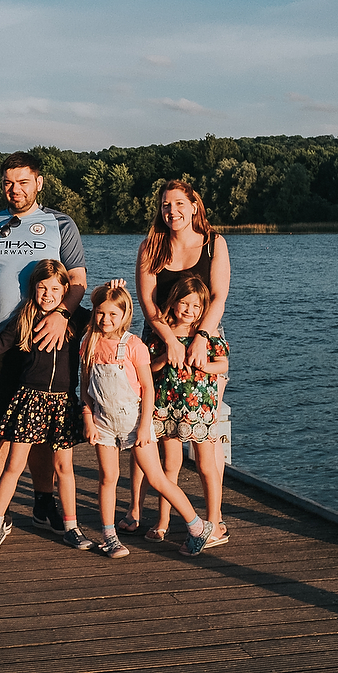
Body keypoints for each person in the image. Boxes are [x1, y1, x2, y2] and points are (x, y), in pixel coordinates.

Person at [0, 151, 86, 531]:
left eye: (24, 182)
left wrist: (62, 316)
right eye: (9, 183)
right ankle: (1, 513)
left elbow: (77, 279)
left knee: (41, 429)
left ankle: (44, 502)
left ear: (39, 182)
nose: (15, 190)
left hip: (42, 339)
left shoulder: (61, 223)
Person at [124, 178, 231, 533]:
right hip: (157, 342)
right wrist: (169, 340)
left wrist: (200, 337)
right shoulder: (151, 246)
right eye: (166, 205)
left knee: (204, 437)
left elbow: (218, 297)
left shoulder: (214, 244)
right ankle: (136, 509)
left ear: (194, 206)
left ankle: (213, 521)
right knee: (148, 428)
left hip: (204, 344)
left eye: (180, 204)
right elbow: (148, 303)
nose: (173, 211)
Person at [80, 281, 216, 558]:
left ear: (124, 315)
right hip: (103, 422)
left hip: (134, 422)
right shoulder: (88, 342)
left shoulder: (133, 345)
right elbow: (84, 386)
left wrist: (145, 426)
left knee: (156, 478)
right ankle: (109, 536)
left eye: (112, 315)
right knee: (108, 478)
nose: (106, 320)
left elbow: (148, 387)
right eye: (100, 313)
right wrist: (87, 417)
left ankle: (198, 526)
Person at [0, 261, 92, 554]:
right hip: (31, 400)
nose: (48, 293)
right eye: (42, 287)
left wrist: (111, 293)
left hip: (63, 402)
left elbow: (108, 321)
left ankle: (71, 527)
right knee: (14, 465)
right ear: (33, 288)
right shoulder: (25, 316)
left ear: (66, 290)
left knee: (64, 468)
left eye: (55, 288)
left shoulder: (76, 318)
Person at [145, 275, 229, 549]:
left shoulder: (208, 335)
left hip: (199, 406)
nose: (189, 310)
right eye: (184, 304)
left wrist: (203, 366)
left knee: (206, 464)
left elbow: (222, 366)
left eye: (196, 306)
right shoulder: (163, 333)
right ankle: (163, 521)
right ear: (174, 303)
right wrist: (162, 359)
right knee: (170, 465)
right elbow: (150, 369)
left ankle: (213, 520)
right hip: (167, 405)